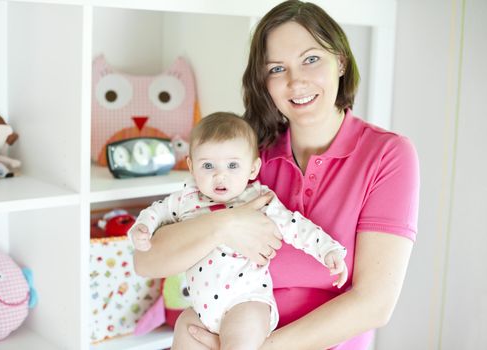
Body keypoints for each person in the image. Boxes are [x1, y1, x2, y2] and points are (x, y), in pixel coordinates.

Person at [133, 1, 419, 349]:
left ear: (340, 61)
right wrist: (224, 224)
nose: (296, 81)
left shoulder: (386, 155)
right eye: (277, 69)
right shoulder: (248, 158)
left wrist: (252, 347)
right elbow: (146, 260)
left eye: (311, 59)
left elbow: (374, 305)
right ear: (263, 82)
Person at [128, 112, 348, 350]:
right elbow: (156, 212)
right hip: (201, 311)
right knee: (184, 328)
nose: (220, 175)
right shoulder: (185, 199)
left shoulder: (259, 199)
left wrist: (327, 250)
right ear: (191, 166)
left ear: (253, 169)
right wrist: (142, 228)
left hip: (247, 303)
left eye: (233, 165)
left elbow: (295, 226)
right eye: (208, 165)